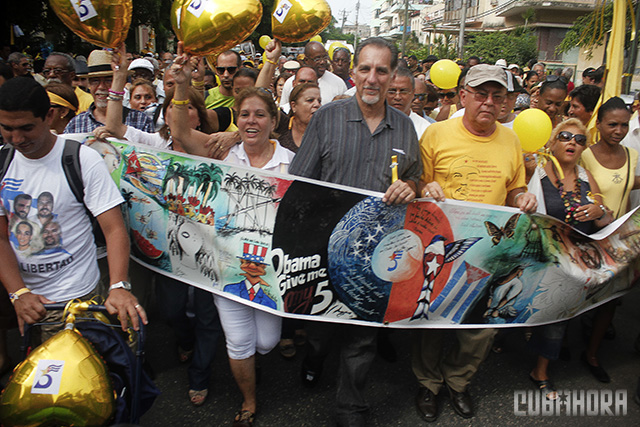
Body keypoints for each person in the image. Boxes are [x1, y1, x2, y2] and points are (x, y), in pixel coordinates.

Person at [289, 36, 422, 426]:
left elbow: (415, 176)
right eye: (365, 68)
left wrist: (411, 187)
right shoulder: (327, 119)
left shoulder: (404, 128)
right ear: (353, 72)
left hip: (374, 253)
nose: (372, 78)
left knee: (361, 338)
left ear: (392, 75)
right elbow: (299, 181)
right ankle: (314, 354)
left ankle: (351, 407)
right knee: (320, 329)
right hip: (323, 245)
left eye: (382, 70)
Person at [171, 47, 293, 425]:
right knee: (239, 343)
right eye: (244, 115)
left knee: (265, 343)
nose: (252, 121)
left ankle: (253, 365)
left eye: (260, 114)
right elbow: (177, 131)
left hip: (270, 271)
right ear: (234, 120)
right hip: (226, 270)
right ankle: (249, 400)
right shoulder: (222, 151)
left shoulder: (291, 162)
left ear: (274, 120)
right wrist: (179, 86)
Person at [416, 64, 537, 422]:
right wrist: (426, 188)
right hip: (445, 245)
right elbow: (418, 182)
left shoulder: (511, 139)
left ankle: (457, 381)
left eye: (497, 96)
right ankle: (428, 384)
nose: (488, 102)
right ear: (463, 96)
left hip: (491, 249)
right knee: (432, 320)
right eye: (481, 94)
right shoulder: (436, 135)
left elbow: (515, 187)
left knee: (481, 327)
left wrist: (522, 198)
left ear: (504, 102)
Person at [0, 77, 147, 342]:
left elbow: (114, 228)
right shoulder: (3, 162)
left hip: (78, 302)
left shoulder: (81, 159)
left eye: (26, 128)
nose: (17, 138)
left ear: (49, 116)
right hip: (27, 305)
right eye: (7, 129)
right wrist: (18, 293)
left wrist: (118, 286)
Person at [527, 118, 612, 400]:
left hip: (573, 264)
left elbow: (606, 219)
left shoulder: (588, 178)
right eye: (565, 136)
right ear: (552, 141)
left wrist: (599, 211)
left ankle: (540, 371)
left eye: (580, 140)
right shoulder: (536, 173)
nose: (572, 143)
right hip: (540, 258)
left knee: (558, 315)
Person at [580, 96, 640, 383]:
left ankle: (592, 353)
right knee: (578, 296)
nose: (618, 130)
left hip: (619, 241)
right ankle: (562, 345)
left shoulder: (632, 156)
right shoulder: (584, 154)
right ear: (599, 124)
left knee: (609, 303)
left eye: (624, 125)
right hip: (588, 237)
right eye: (612, 124)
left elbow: (626, 194)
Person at [63, 50, 155, 134]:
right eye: (95, 81)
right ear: (89, 85)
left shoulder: (141, 120)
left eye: (108, 81)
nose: (102, 87)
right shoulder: (75, 124)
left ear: (120, 83)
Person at [279, 41, 347, 107]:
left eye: (325, 58)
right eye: (317, 59)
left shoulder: (339, 84)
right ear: (306, 60)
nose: (322, 62)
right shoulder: (290, 83)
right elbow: (284, 110)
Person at [387, 67, 431, 139]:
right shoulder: (371, 123)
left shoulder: (424, 129)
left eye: (403, 91)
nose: (397, 97)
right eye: (392, 91)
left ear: (413, 93)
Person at [279, 82, 321, 152]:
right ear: (294, 106)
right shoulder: (282, 126)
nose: (317, 104)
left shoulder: (325, 132)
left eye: (319, 101)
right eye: (310, 100)